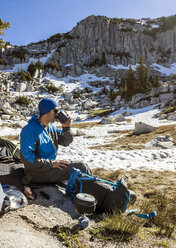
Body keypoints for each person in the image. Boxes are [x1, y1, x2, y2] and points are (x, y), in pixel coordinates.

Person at [20, 97, 91, 185]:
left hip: (49, 168)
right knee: (81, 167)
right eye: (56, 111)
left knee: (83, 166)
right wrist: (51, 163)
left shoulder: (51, 128)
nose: (58, 114)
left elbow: (66, 142)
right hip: (37, 173)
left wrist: (66, 127)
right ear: (47, 111)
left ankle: (96, 189)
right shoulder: (29, 130)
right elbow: (26, 158)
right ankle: (94, 193)